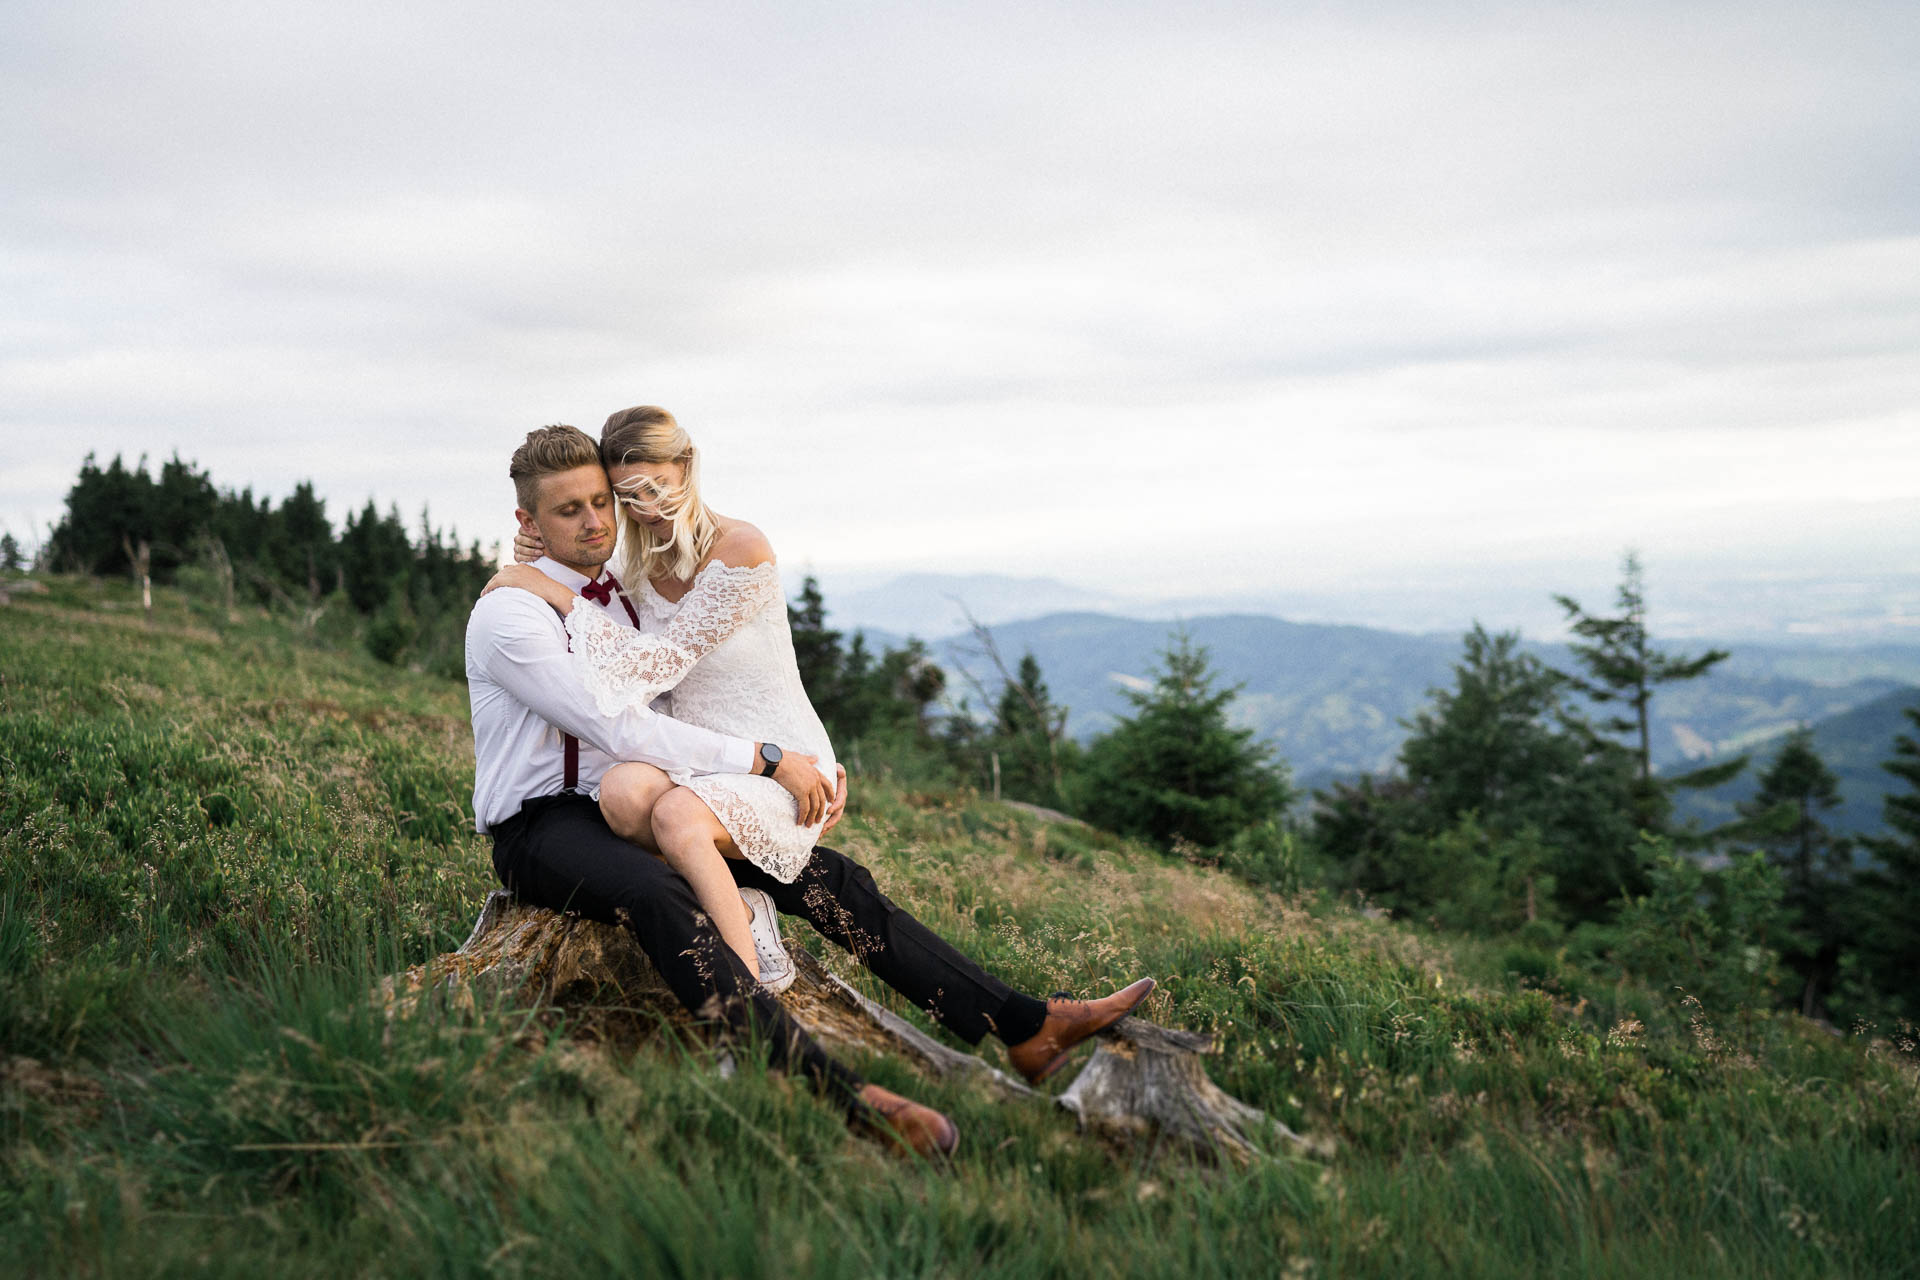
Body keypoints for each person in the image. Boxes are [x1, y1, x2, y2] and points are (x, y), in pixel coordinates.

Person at [468, 418, 1154, 1157]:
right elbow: (621, 730)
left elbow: (688, 692)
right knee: (652, 892)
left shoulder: (617, 598)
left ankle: (1022, 1024)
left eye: (601, 501)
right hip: (541, 828)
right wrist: (768, 760)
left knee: (827, 876)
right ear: (529, 521)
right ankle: (829, 1088)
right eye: (568, 510)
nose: (596, 520)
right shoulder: (511, 614)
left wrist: (797, 766)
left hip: (629, 806)